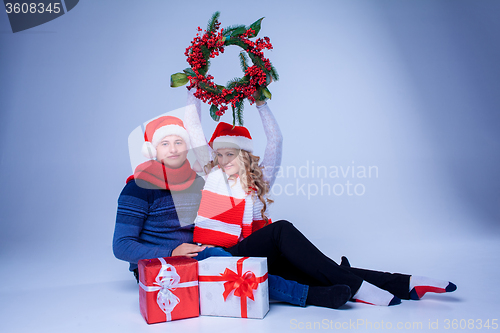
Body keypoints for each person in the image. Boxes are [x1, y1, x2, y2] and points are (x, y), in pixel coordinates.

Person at [187, 96, 457, 307]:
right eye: (219, 154)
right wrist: (193, 92)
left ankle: (406, 283)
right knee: (281, 229)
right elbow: (192, 128)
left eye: (230, 154)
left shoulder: (259, 180)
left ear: (244, 155)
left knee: (318, 268)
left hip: (255, 255)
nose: (223, 161)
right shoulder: (210, 174)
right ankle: (362, 290)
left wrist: (262, 103)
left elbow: (276, 141)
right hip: (223, 256)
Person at [112, 108, 348, 309]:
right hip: (163, 264)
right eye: (165, 143)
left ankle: (337, 276)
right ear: (153, 151)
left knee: (272, 249)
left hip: (203, 249)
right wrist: (173, 250)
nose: (173, 149)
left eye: (178, 143)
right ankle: (312, 295)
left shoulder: (197, 181)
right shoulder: (138, 188)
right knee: (224, 260)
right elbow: (121, 246)